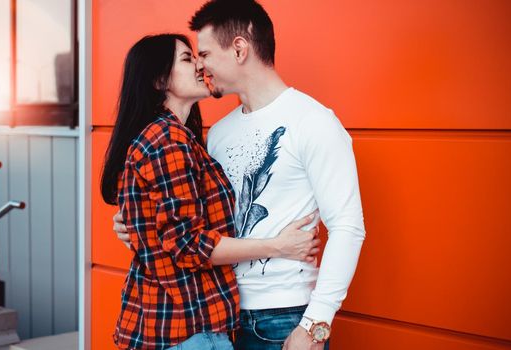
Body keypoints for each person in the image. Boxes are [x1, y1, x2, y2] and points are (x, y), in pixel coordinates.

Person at [114, 1, 366, 349]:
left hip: (284, 316)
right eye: (192, 58)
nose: (200, 65)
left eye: (203, 53)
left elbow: (348, 227)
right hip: (218, 317)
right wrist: (135, 223)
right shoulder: (217, 134)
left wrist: (315, 324)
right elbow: (187, 224)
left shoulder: (313, 122)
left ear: (239, 49)